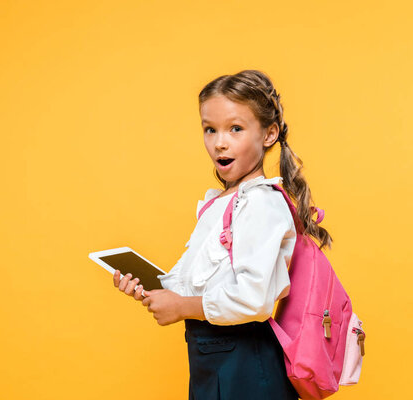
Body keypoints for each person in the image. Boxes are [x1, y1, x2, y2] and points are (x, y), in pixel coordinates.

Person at [113, 69, 333, 400]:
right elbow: (198, 282)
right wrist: (151, 290)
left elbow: (253, 300)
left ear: (269, 134)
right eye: (209, 129)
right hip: (211, 365)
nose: (220, 142)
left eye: (235, 128)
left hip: (245, 368)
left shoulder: (261, 203)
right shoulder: (219, 203)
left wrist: (182, 307)